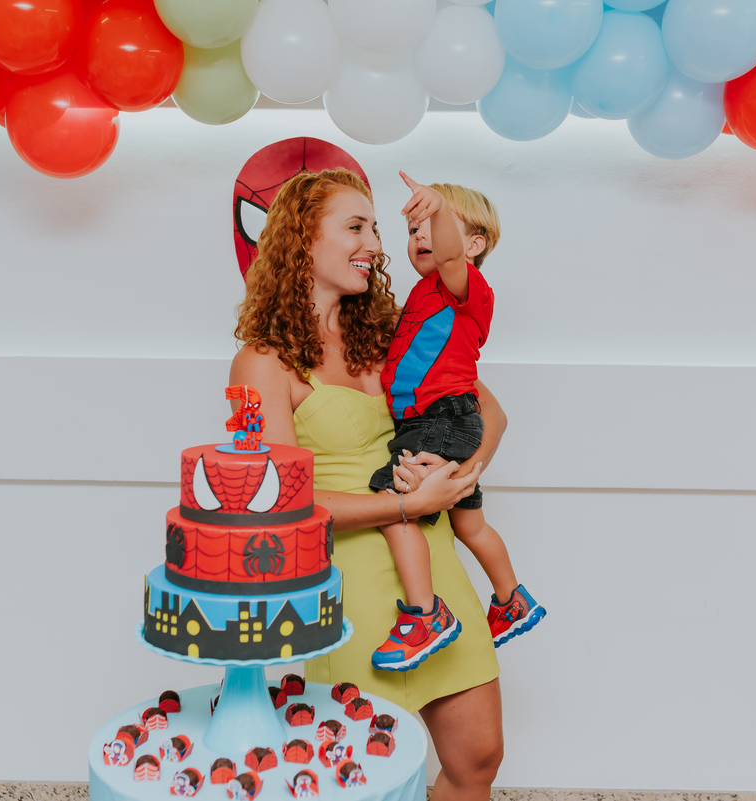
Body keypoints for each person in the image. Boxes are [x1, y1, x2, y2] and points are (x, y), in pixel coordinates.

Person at [231, 168, 504, 801]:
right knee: (354, 776)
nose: (376, 245)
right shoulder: (261, 361)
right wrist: (404, 502)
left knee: (479, 758)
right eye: (355, 227)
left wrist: (454, 473)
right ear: (302, 240)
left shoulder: (390, 330)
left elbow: (490, 414)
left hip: (433, 566)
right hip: (347, 584)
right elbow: (275, 499)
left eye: (375, 229)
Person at [367, 173, 543, 672]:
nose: (421, 235)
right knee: (471, 523)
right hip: (448, 423)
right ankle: (511, 600)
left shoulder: (465, 287)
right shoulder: (423, 295)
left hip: (439, 420)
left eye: (435, 225)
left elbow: (448, 256)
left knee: (391, 505)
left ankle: (424, 615)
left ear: (473, 244)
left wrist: (438, 205)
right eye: (413, 228)